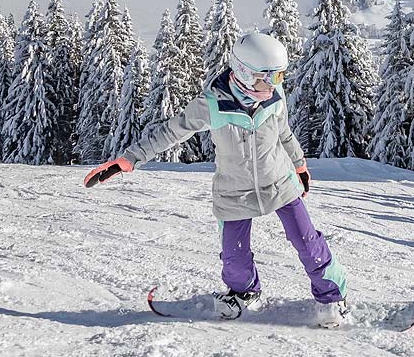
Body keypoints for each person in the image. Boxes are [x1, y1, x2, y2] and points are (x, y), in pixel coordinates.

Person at [83, 30, 350, 323]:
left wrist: (299, 165)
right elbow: (171, 131)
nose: (274, 84)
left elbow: (284, 133)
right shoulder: (211, 105)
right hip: (233, 191)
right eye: (267, 77)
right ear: (245, 73)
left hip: (279, 183)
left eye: (278, 77)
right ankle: (244, 294)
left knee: (308, 243)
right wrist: (129, 159)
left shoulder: (274, 98)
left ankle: (333, 299)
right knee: (234, 260)